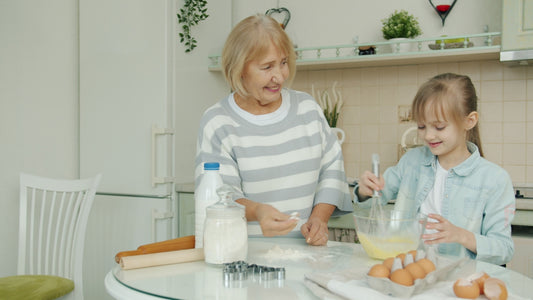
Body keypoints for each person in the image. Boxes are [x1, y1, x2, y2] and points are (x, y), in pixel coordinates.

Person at [195, 14, 352, 246]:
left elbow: (332, 172)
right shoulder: (217, 122)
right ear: (239, 69)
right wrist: (258, 211)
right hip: (244, 255)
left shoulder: (308, 110)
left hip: (307, 253)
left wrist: (319, 219)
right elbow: (221, 196)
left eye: (284, 62)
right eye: (267, 67)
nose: (279, 76)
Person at [354, 73, 515, 265]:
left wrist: (461, 235)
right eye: (422, 126)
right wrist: (366, 190)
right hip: (409, 269)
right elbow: (373, 201)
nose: (428, 135)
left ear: (469, 121)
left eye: (439, 127)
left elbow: (504, 249)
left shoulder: (494, 179)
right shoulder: (412, 162)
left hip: (458, 279)